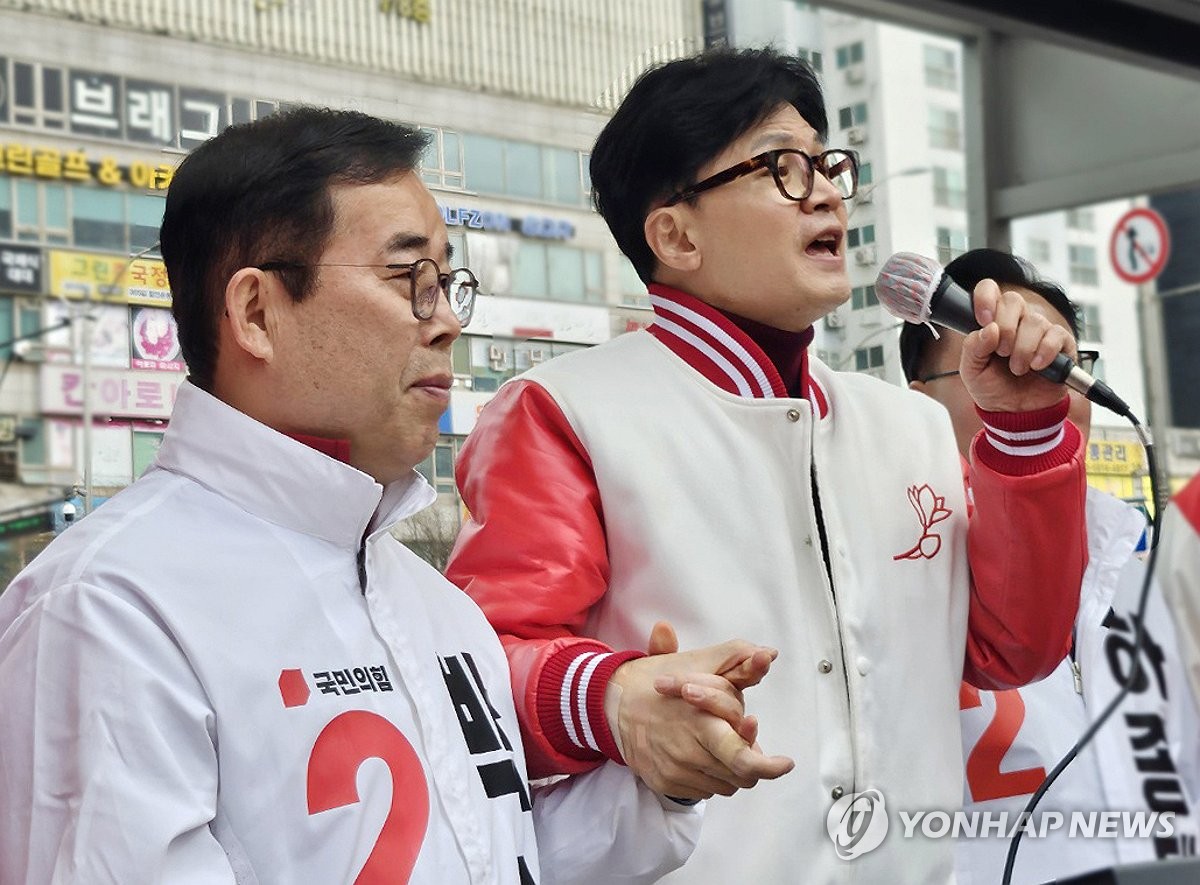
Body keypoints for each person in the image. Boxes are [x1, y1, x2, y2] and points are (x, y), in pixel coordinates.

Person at [0, 107, 766, 884]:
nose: (446, 322)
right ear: (257, 312)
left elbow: (493, 851)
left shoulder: (438, 610)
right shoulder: (108, 608)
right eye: (410, 279)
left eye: (447, 281)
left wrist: (660, 775)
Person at [445, 48, 1089, 883]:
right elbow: (484, 665)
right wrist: (614, 697)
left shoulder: (911, 425)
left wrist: (1026, 435)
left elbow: (1013, 652)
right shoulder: (565, 410)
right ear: (673, 233)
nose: (824, 190)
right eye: (782, 167)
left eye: (826, 164)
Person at [901, 248, 1200, 884]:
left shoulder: (1143, 564)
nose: (1039, 387)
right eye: (1001, 362)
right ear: (916, 400)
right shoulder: (897, 566)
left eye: (1062, 363)